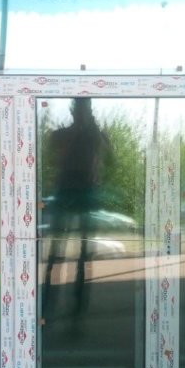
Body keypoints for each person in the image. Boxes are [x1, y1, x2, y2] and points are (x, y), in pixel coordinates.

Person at [42, 98, 111, 312]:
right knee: (60, 250)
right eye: (80, 110)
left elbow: (107, 156)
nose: (81, 114)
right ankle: (53, 301)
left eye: (83, 110)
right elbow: (52, 150)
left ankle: (68, 302)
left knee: (80, 252)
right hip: (73, 191)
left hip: (78, 192)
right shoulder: (75, 135)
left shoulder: (92, 136)